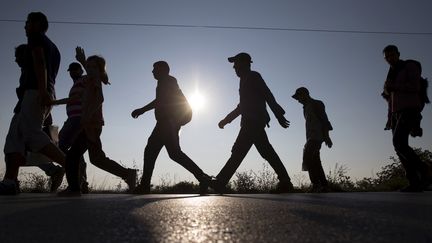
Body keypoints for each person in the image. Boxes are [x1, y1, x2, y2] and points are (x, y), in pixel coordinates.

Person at [56, 47, 137, 196]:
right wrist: (82, 60)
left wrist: (87, 117)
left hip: (91, 125)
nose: (90, 69)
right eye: (89, 66)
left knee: (73, 155)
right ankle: (128, 174)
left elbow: (100, 98)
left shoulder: (95, 80)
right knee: (97, 159)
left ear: (99, 70)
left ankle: (74, 188)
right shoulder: (91, 79)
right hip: (91, 124)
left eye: (94, 67)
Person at [0, 12, 65, 195]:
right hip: (33, 95)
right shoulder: (54, 48)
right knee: (14, 139)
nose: (25, 26)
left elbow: (40, 62)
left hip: (36, 92)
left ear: (36, 24)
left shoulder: (36, 37)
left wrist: (43, 91)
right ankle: (9, 181)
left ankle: (71, 166)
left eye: (27, 22)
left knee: (31, 134)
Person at [212, 52, 294, 193]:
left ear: (245, 64)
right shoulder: (243, 81)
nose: (234, 68)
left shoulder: (254, 76)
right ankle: (285, 182)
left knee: (238, 151)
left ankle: (220, 181)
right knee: (265, 151)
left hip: (253, 122)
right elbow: (242, 106)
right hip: (250, 122)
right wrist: (227, 120)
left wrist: (278, 113)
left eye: (236, 64)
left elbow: (267, 94)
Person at [131, 61, 212, 194]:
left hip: (168, 122)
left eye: (155, 69)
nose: (152, 72)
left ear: (163, 70)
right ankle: (203, 178)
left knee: (156, 151)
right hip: (166, 122)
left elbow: (161, 100)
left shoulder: (168, 81)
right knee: (171, 153)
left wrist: (142, 110)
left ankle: (145, 185)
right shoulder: (165, 81)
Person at [382, 44, 429, 192]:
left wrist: (394, 86)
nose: (390, 58)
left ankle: (426, 171)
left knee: (399, 142)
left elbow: (415, 86)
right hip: (396, 113)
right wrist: (389, 119)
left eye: (392, 55)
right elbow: (390, 99)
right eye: (387, 57)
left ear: (398, 54)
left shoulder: (410, 66)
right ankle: (414, 182)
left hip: (410, 109)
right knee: (398, 147)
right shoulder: (391, 74)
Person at [51, 62, 89, 193]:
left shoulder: (84, 79)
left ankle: (76, 175)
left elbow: (74, 99)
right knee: (76, 150)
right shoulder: (76, 83)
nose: (72, 72)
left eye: (75, 70)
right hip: (74, 119)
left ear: (80, 70)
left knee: (59, 145)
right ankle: (82, 181)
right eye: (71, 70)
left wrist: (54, 102)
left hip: (77, 119)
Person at [292, 87, 333, 192]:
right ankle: (324, 185)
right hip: (310, 137)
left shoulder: (317, 104)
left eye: (299, 98)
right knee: (315, 160)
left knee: (308, 157)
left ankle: (316, 184)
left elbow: (324, 120)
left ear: (304, 94)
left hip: (317, 136)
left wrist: (327, 136)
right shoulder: (305, 107)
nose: (298, 100)